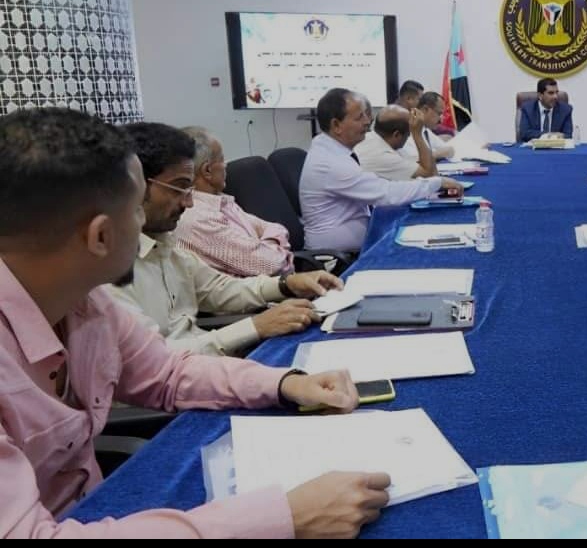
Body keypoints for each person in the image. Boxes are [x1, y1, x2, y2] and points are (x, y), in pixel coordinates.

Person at [0, 107, 389, 539]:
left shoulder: (86, 302)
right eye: (135, 210)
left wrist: (286, 383)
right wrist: (285, 518)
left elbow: (168, 372)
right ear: (101, 236)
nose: (150, 221)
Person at [107, 123, 341, 357]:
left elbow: (219, 288)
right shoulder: (108, 270)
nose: (188, 203)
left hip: (209, 363)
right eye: (178, 189)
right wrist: (256, 327)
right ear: (135, 186)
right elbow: (151, 359)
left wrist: (286, 284)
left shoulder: (164, 241)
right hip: (187, 371)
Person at [300, 88, 462, 251]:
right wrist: (436, 183)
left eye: (366, 114)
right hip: (337, 255)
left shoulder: (331, 148)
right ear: (336, 125)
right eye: (359, 117)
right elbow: (386, 193)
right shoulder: (331, 164)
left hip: (359, 238)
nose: (367, 121)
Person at [174, 126, 294, 277]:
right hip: (264, 290)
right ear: (207, 171)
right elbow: (274, 265)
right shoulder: (200, 219)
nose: (226, 165)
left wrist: (264, 247)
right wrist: (271, 247)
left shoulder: (220, 201)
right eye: (222, 159)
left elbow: (275, 227)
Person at [353, 105, 438, 180]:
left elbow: (420, 165)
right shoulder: (383, 156)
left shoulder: (370, 138)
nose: (409, 136)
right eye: (408, 133)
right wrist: (418, 134)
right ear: (396, 135)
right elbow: (430, 176)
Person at [396, 92, 455, 161]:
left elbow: (450, 150)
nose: (441, 119)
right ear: (425, 109)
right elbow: (414, 159)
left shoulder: (425, 129)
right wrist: (436, 154)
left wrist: (433, 154)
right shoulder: (407, 128)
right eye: (439, 113)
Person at [517, 77, 573, 143]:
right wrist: (549, 135)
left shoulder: (566, 110)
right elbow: (525, 133)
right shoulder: (527, 109)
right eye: (551, 93)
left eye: (556, 92)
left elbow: (568, 135)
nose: (555, 96)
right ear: (540, 95)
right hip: (533, 147)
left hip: (556, 148)